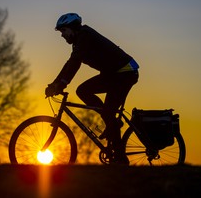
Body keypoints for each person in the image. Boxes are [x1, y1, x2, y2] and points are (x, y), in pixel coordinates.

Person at [45, 12, 139, 164]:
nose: (62, 35)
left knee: (105, 111)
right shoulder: (80, 40)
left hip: (125, 73)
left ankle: (120, 158)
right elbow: (70, 63)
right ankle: (111, 125)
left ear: (72, 27)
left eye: (63, 31)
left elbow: (75, 63)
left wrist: (61, 84)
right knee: (97, 104)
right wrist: (55, 84)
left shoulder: (85, 36)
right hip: (115, 74)